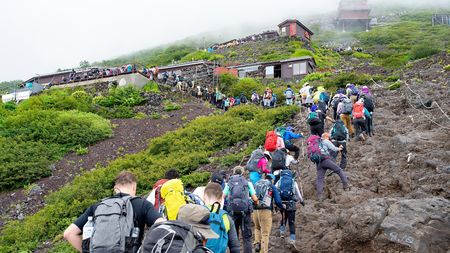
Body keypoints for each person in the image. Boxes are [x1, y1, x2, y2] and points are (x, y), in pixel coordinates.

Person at [64, 171, 164, 252]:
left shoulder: (97, 206)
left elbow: (69, 234)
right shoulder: (142, 204)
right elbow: (162, 225)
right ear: (134, 186)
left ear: (115, 188)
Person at [223, 166, 259, 253]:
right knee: (246, 238)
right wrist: (256, 203)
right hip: (245, 212)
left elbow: (223, 196)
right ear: (243, 173)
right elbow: (255, 199)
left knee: (234, 237)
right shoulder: (247, 183)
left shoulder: (229, 183)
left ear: (234, 172)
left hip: (232, 212)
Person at [203, 183, 241, 253]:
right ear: (221, 199)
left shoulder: (196, 214)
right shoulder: (225, 217)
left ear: (204, 197)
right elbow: (234, 246)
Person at [253, 174, 284, 253]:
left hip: (255, 210)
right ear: (272, 180)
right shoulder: (272, 186)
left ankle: (257, 242)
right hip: (266, 211)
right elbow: (277, 201)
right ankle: (263, 251)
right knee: (265, 233)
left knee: (257, 228)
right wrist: (282, 207)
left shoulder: (256, 184)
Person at [315, 134, 351, 201]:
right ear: (326, 137)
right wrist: (340, 148)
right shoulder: (326, 141)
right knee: (339, 170)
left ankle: (319, 196)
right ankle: (346, 185)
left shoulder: (317, 143)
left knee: (320, 179)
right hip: (325, 160)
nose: (329, 139)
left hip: (318, 162)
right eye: (329, 137)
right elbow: (334, 149)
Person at [275, 169, 304, 244]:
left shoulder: (280, 181)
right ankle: (292, 239)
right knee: (291, 222)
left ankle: (282, 231)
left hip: (282, 203)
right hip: (291, 203)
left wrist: (275, 203)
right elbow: (298, 193)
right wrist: (301, 201)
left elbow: (275, 190)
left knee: (283, 217)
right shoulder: (293, 182)